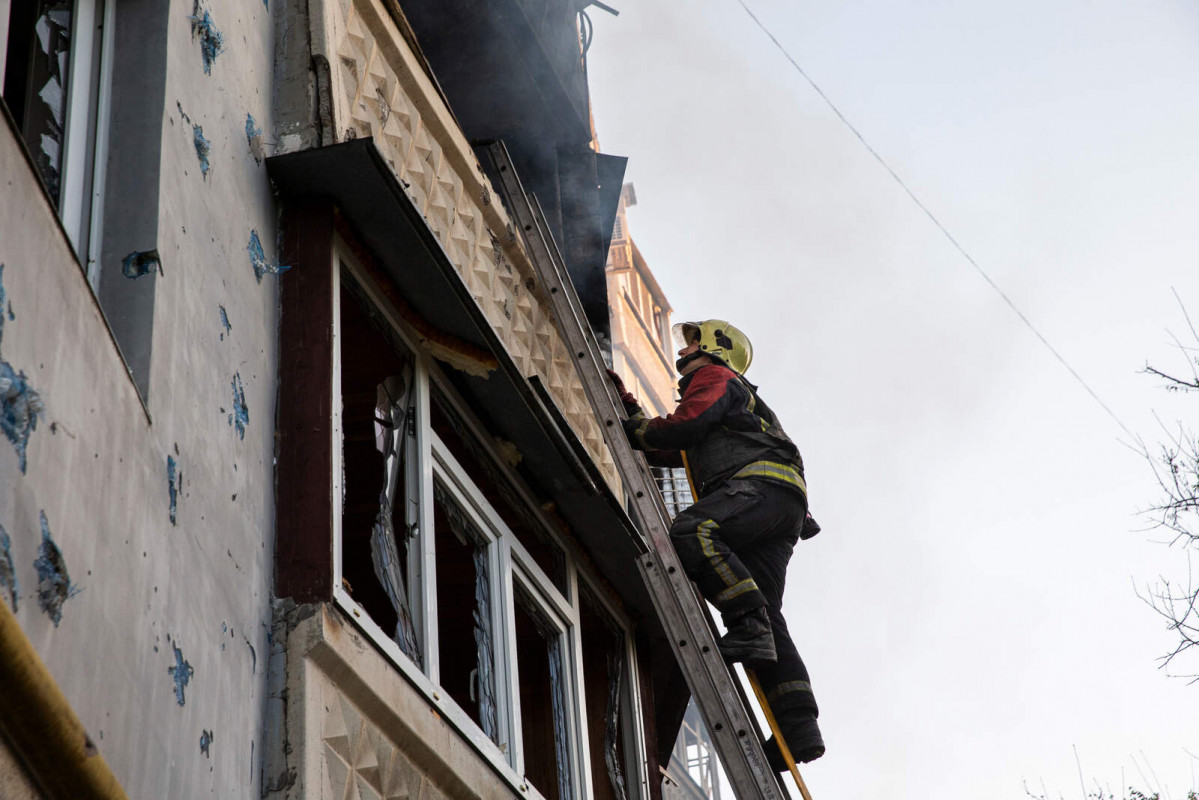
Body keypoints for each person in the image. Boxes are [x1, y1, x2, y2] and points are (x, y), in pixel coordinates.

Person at [608, 319, 825, 767]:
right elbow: (673, 448)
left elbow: (685, 426)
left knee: (693, 530)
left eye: (690, 345)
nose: (681, 353)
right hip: (779, 504)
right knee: (767, 610)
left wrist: (637, 427)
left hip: (759, 488)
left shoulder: (715, 378)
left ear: (712, 349)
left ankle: (746, 625)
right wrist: (628, 410)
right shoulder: (736, 400)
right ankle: (798, 727)